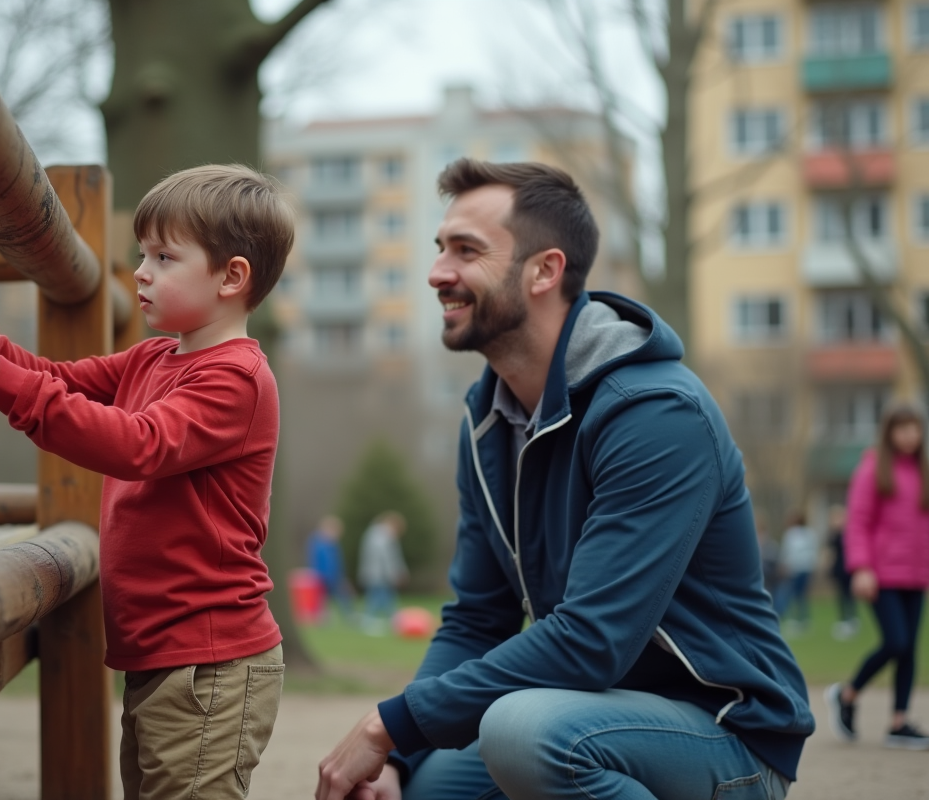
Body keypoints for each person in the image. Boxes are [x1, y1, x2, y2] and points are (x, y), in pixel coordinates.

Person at [316, 159, 812, 800]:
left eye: (467, 251)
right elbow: (476, 619)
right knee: (425, 790)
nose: (438, 272)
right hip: (590, 712)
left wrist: (387, 725)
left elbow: (590, 640)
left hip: (725, 734)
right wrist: (400, 757)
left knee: (521, 733)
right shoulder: (488, 420)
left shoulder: (656, 413)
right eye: (439, 249)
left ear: (545, 270)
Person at [0, 164, 295, 798]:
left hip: (210, 660)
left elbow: (137, 444)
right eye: (143, 253)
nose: (140, 271)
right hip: (162, 656)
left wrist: (4, 382)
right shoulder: (152, 358)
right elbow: (51, 378)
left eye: (165, 257)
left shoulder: (236, 379)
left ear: (232, 276)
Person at [825, 402, 929, 750]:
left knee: (909, 649)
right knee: (895, 641)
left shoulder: (923, 471)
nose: (909, 435)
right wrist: (862, 567)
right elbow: (858, 522)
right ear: (889, 433)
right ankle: (847, 694)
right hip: (881, 574)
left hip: (917, 574)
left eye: (914, 428)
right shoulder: (873, 469)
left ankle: (899, 722)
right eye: (902, 429)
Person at [356, 511, 409, 634]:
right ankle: (371, 622)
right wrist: (394, 574)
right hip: (378, 574)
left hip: (375, 573)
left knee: (384, 597)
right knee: (377, 597)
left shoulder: (374, 533)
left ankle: (394, 621)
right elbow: (387, 558)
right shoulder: (382, 535)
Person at [772, 512, 819, 634]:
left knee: (796, 594)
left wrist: (784, 565)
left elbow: (787, 551)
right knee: (800, 594)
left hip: (797, 568)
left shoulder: (792, 534)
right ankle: (801, 619)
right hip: (804, 568)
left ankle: (799, 619)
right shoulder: (809, 533)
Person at [307, 514, 353, 623]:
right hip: (323, 576)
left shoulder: (333, 544)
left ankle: (347, 615)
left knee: (343, 596)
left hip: (335, 576)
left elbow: (337, 562)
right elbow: (319, 562)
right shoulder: (319, 543)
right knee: (323, 598)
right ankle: (322, 617)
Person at [825, 504, 860, 640]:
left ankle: (852, 620)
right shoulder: (834, 534)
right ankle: (844, 619)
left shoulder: (848, 533)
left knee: (849, 595)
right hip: (839, 568)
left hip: (848, 568)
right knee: (841, 595)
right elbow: (829, 550)